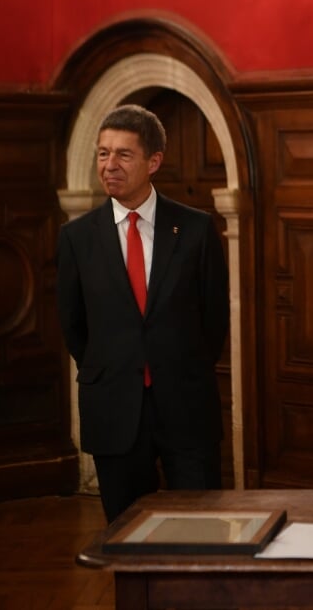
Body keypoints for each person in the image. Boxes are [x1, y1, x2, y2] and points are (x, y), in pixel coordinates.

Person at [56, 104, 229, 523]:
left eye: (123, 155)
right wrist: (115, 365)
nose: (109, 165)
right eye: (102, 153)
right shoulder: (77, 238)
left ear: (153, 161)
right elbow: (73, 327)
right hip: (113, 408)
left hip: (186, 407)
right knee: (126, 533)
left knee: (201, 529)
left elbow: (214, 321)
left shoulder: (195, 229)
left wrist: (178, 366)